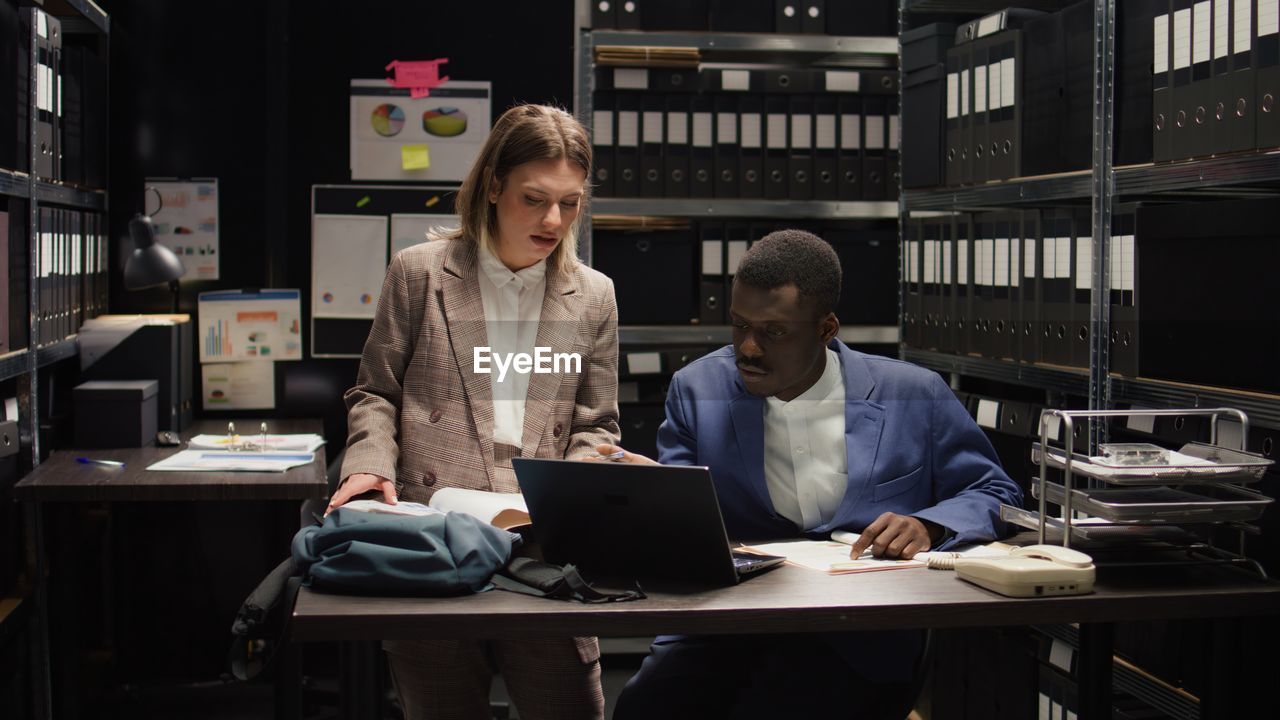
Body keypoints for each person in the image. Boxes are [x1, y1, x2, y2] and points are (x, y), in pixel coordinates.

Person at [602, 229, 1023, 720]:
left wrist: (928, 525)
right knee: (641, 709)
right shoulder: (697, 390)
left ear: (826, 329)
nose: (749, 348)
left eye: (774, 331)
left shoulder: (914, 393)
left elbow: (994, 491)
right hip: (726, 625)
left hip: (854, 633)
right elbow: (682, 521)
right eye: (739, 326)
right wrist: (651, 495)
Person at [329, 104, 619, 720]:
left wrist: (579, 487)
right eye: (534, 198)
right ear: (492, 185)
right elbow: (375, 392)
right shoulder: (418, 273)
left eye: (569, 204)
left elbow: (596, 424)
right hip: (435, 537)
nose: (552, 220)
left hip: (542, 542)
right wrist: (367, 462)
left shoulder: (593, 294)